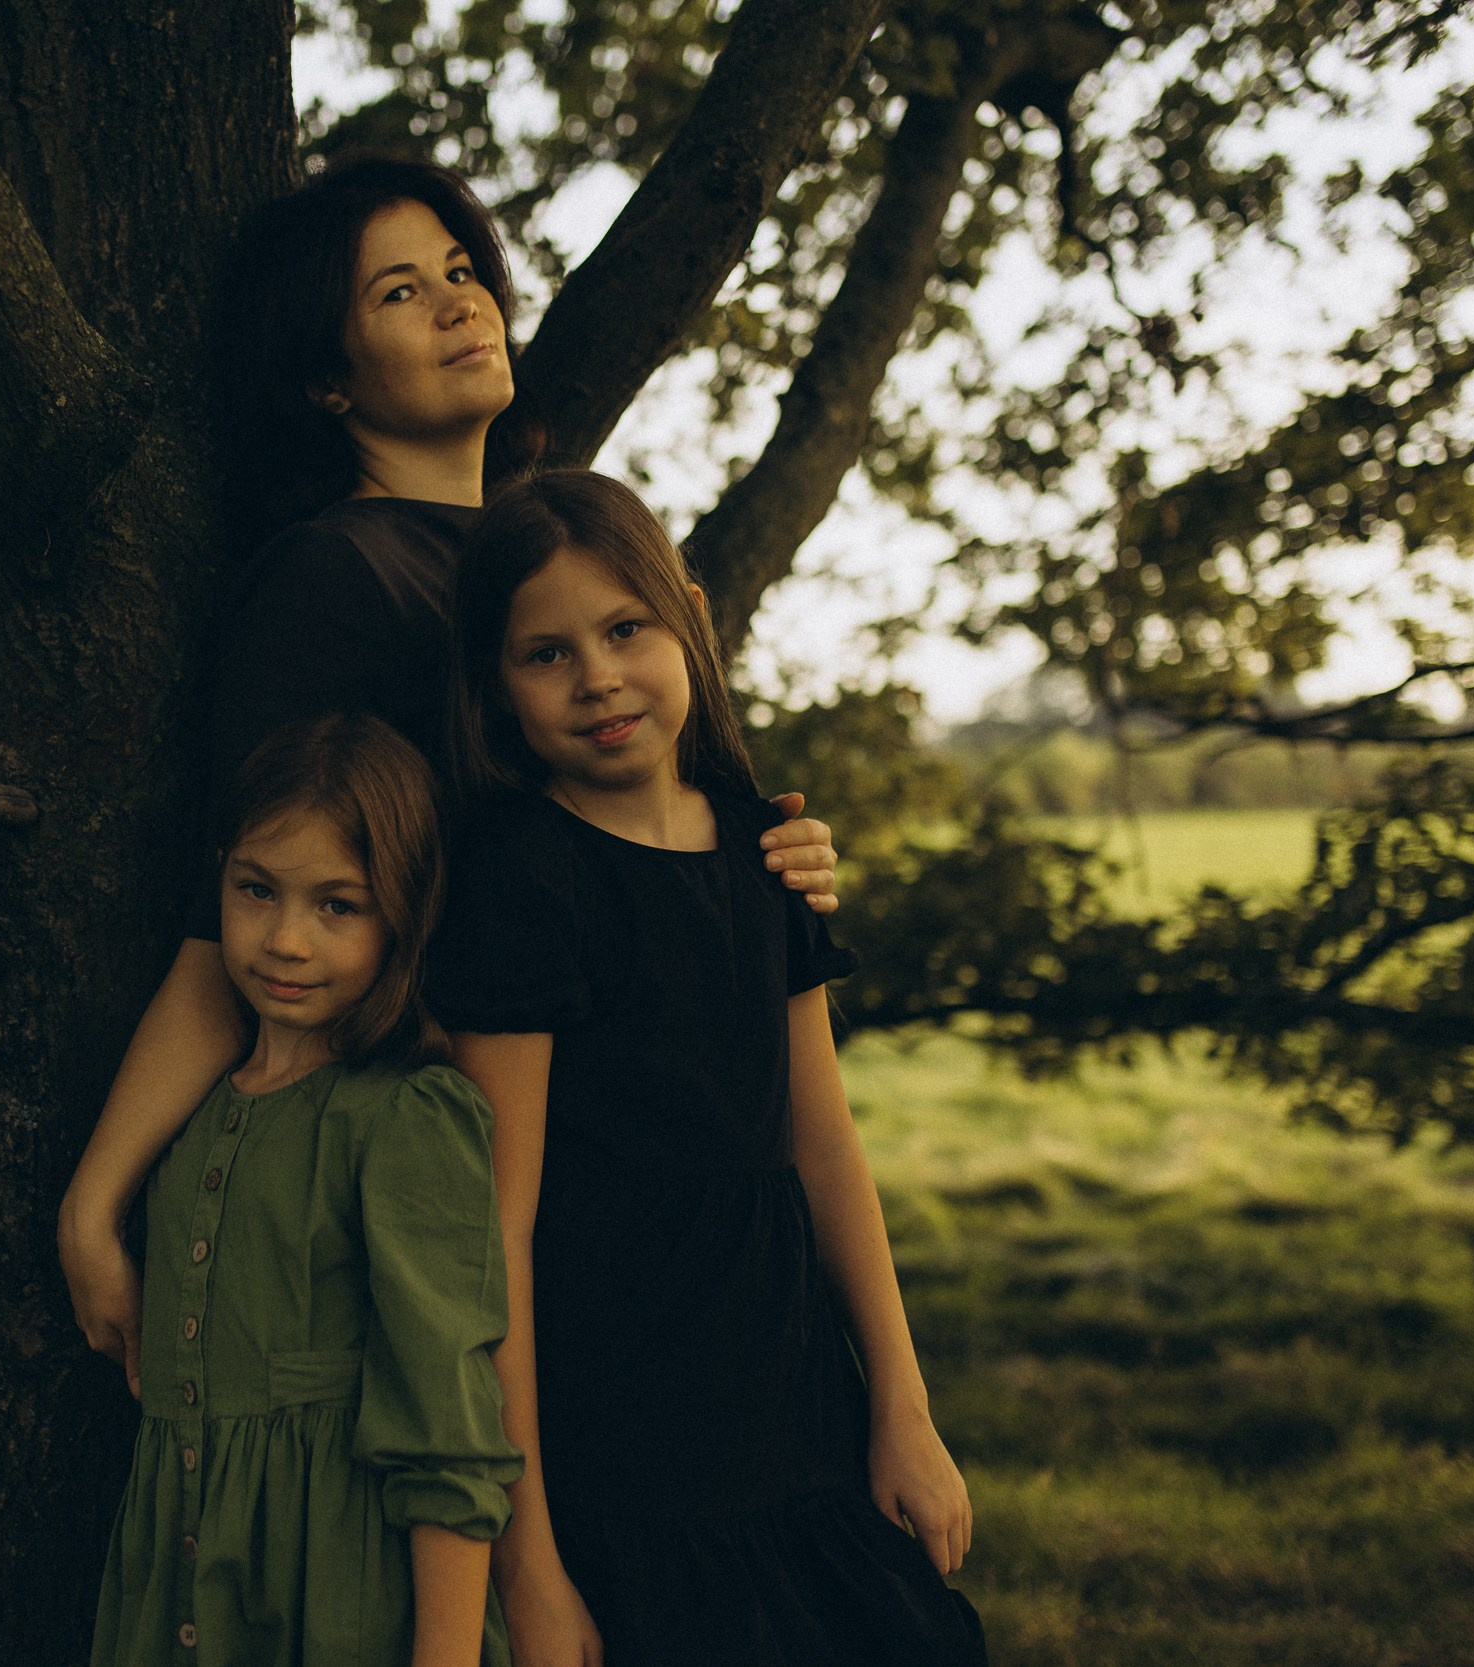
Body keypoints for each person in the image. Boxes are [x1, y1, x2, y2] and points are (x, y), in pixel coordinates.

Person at [58, 156, 845, 1392]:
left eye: (464, 270)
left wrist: (764, 856)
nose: (458, 301)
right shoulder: (332, 577)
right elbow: (243, 914)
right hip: (484, 1171)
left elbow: (643, 825)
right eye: (398, 292)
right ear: (326, 380)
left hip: (675, 1163)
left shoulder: (543, 561)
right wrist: (95, 1201)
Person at [430, 471, 987, 1667]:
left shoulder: (763, 848)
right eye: (546, 653)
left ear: (688, 619)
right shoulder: (521, 878)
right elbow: (495, 1234)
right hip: (624, 1435)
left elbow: (823, 1143)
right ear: (495, 683)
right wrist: (530, 1566)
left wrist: (902, 1406)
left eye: (625, 628)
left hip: (795, 1396)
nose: (597, 677)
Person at [89, 712, 524, 1667]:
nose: (285, 939)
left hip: (339, 1604)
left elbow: (449, 1427)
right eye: (257, 890)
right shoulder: (191, 1110)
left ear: (403, 914)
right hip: (180, 1596)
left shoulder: (406, 1114)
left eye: (338, 906)